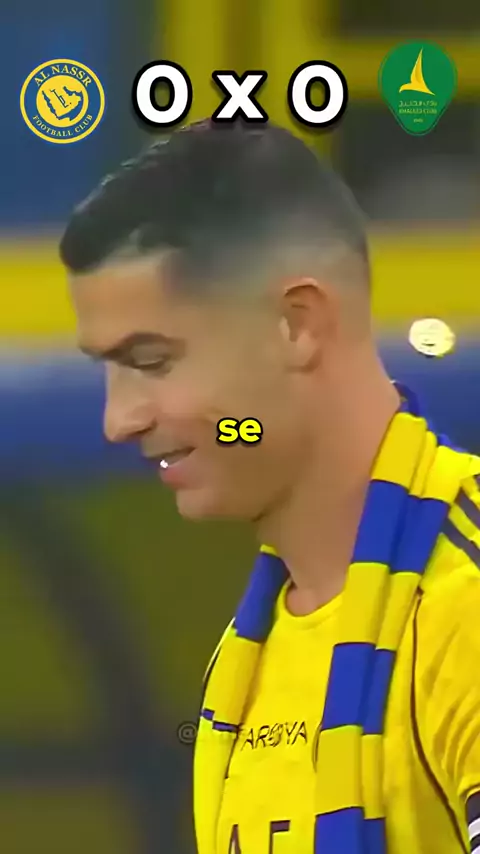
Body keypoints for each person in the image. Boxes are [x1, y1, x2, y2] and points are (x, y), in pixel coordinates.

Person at [59, 120, 480, 854]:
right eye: (108, 371)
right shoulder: (247, 660)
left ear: (297, 325)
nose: (118, 421)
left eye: (152, 362)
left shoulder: (460, 605)